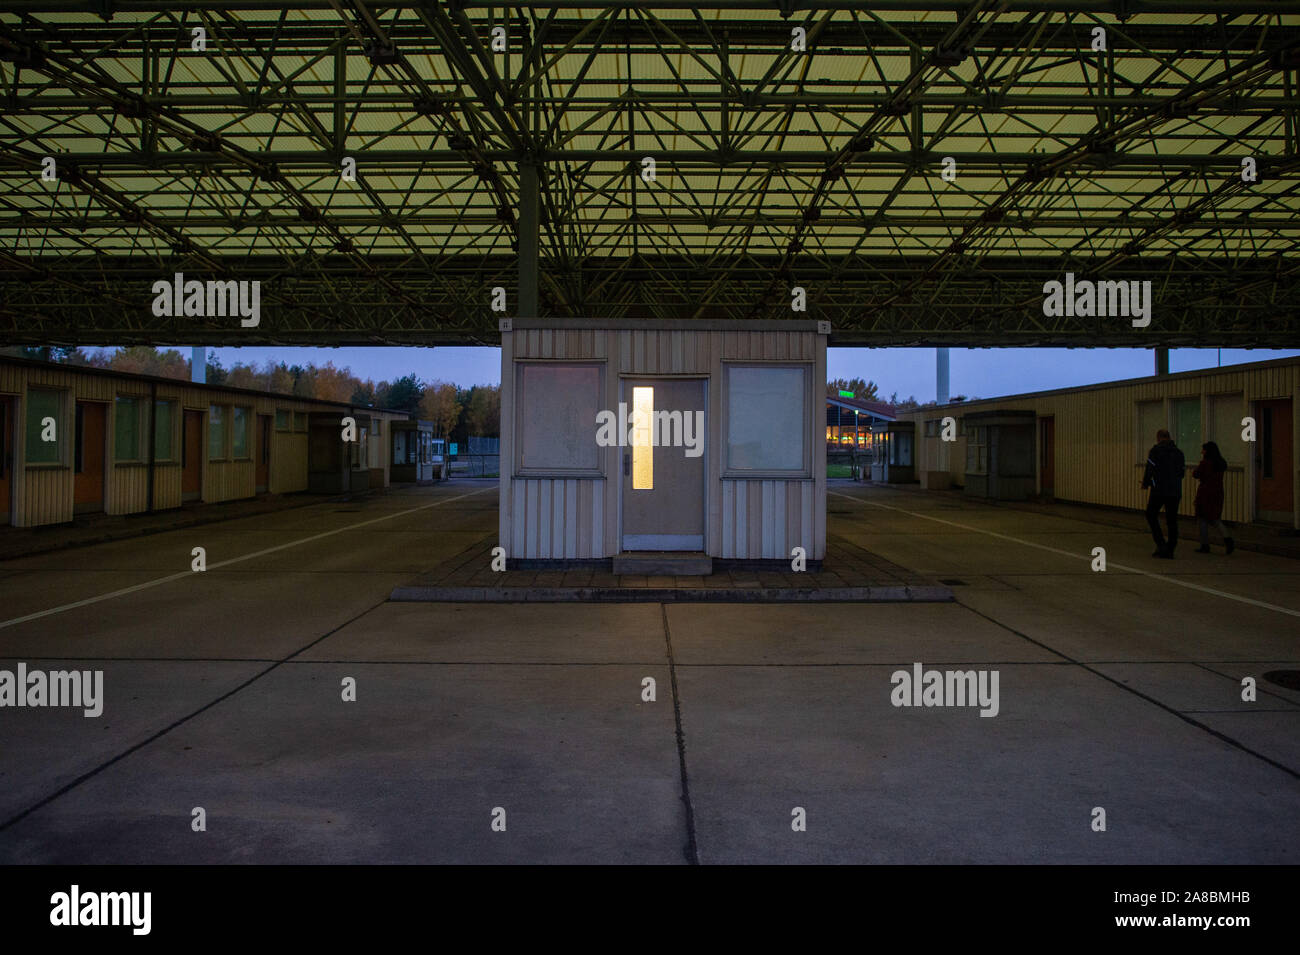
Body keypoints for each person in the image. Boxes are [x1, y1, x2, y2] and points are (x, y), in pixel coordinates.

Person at [1142, 428, 1185, 558]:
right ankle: (1171, 547)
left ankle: (1160, 543)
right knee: (1172, 520)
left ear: (1158, 438)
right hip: (1174, 490)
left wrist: (1146, 483)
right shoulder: (1179, 453)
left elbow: (1150, 469)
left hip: (1159, 490)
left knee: (1151, 514)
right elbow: (1181, 473)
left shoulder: (1155, 452)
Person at [1192, 441, 1235, 554]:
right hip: (1217, 492)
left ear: (1207, 451)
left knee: (1202, 519)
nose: (1202, 452)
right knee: (1215, 518)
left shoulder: (1205, 463)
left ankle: (1205, 544)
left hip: (1205, 492)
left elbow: (1196, 474)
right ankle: (1228, 539)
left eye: (1203, 450)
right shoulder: (1221, 463)